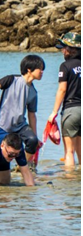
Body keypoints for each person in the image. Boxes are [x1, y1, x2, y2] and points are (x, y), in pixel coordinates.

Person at [47, 32, 81, 167]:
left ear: (69, 49)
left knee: (69, 151)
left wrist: (54, 112)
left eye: (63, 48)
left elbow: (62, 90)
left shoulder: (65, 66)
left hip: (71, 110)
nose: (62, 51)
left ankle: (70, 183)